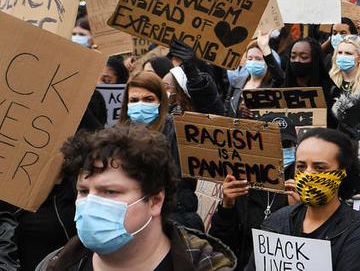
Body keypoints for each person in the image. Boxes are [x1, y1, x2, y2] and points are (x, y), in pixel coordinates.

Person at [37, 125, 236, 270]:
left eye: (110, 192)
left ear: (155, 201)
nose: (90, 203)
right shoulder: (54, 264)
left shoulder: (205, 266)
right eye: (83, 191)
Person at [246, 128, 360, 271]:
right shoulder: (276, 222)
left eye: (319, 168)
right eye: (301, 167)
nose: (308, 174)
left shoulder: (357, 231)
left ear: (342, 172)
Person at [118, 72, 203, 230]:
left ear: (161, 101)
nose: (140, 105)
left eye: (148, 99)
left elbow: (181, 183)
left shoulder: (177, 131)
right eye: (134, 100)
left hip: (173, 219)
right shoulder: (117, 137)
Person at [209, 124, 297, 270]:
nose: (278, 150)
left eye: (285, 144)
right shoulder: (240, 187)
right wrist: (227, 208)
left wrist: (299, 212)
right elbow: (219, 246)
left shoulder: (300, 190)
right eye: (269, 144)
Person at [225, 36, 285, 117]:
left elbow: (279, 77)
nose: (253, 62)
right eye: (250, 59)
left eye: (258, 59)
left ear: (267, 62)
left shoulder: (273, 84)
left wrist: (265, 48)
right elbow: (226, 110)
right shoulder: (237, 82)